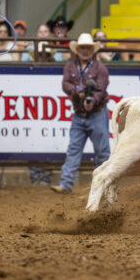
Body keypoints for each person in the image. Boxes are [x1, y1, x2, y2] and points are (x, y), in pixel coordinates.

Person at [50, 33, 110, 194]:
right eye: (82, 48)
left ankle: (103, 185)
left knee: (102, 152)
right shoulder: (70, 66)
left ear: (93, 50)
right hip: (80, 114)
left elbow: (101, 89)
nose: (85, 51)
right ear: (77, 50)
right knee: (74, 149)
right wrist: (78, 91)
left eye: (88, 48)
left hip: (96, 113)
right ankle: (66, 183)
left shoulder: (100, 68)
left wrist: (92, 101)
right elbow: (65, 84)